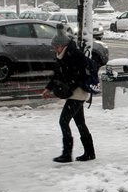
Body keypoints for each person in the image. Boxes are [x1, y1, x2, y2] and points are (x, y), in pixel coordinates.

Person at [41, 32, 96, 163]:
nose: (54, 49)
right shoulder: (63, 55)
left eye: (55, 46)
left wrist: (68, 89)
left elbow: (78, 76)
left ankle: (67, 154)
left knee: (63, 121)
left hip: (78, 93)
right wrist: (48, 88)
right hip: (74, 93)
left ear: (62, 45)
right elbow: (57, 75)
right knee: (80, 123)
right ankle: (89, 153)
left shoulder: (74, 55)